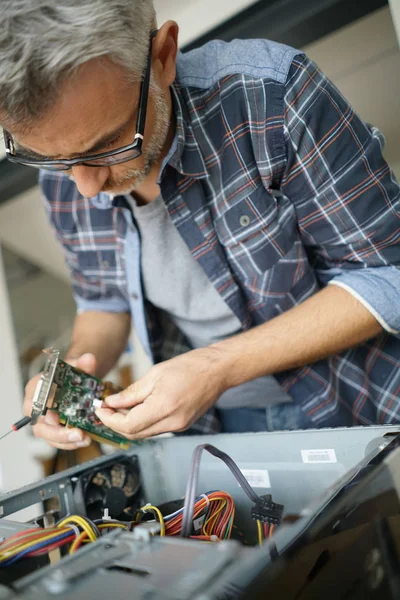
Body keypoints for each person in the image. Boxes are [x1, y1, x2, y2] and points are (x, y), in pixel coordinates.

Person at [1, 1, 399, 451]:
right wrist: (71, 371)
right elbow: (103, 300)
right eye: (56, 159)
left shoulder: (273, 97)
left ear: (164, 56)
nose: (86, 187)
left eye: (108, 143)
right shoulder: (65, 177)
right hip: (207, 427)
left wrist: (217, 366)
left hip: (353, 402)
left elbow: (389, 276)